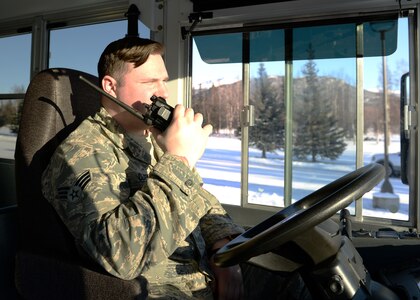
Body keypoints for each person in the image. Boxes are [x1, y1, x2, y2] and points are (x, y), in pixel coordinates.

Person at [42, 36, 309, 299]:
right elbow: (119, 254)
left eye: (164, 81)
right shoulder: (80, 153)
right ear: (111, 87)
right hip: (166, 290)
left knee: (299, 282)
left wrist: (223, 252)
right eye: (149, 82)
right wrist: (179, 161)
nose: (163, 93)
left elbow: (204, 203)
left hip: (205, 270)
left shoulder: (155, 140)